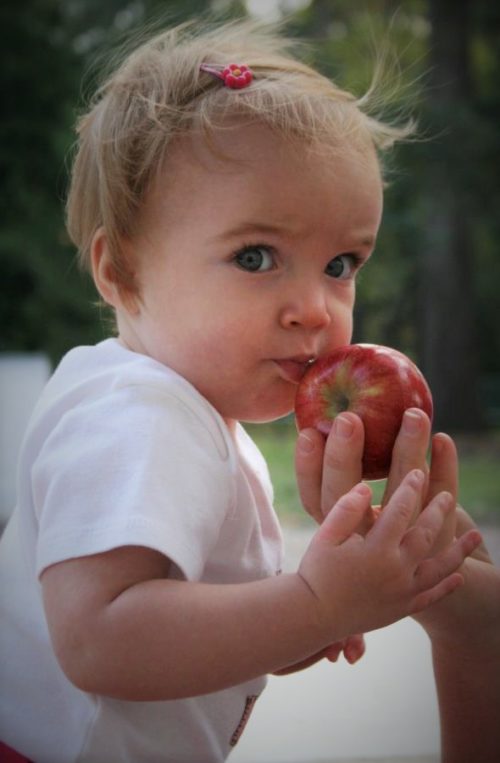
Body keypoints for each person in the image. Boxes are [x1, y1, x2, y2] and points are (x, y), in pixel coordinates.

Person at [0, 19, 496, 763]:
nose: (317, 308)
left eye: (340, 264)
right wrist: (310, 605)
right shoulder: (137, 413)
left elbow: (184, 633)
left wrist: (301, 620)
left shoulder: (190, 417)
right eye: (256, 255)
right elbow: (99, 636)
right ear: (121, 272)